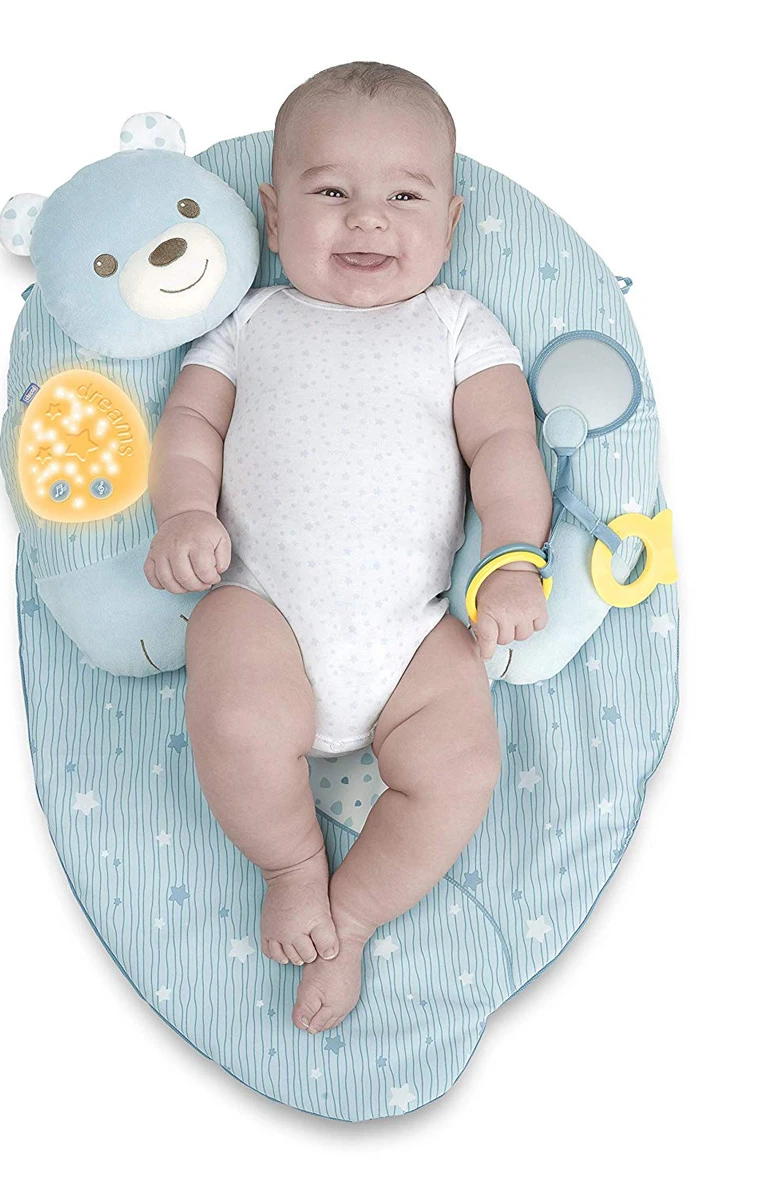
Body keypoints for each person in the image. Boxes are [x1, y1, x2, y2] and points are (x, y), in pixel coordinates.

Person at [144, 61, 553, 1034]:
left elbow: (504, 444)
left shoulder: (458, 325)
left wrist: (515, 555)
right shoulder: (248, 323)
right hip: (266, 606)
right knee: (234, 715)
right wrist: (184, 514)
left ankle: (355, 916)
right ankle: (292, 867)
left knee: (462, 768)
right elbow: (190, 426)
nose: (367, 218)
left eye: (404, 197)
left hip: (415, 635)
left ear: (450, 221)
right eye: (331, 192)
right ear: (272, 215)